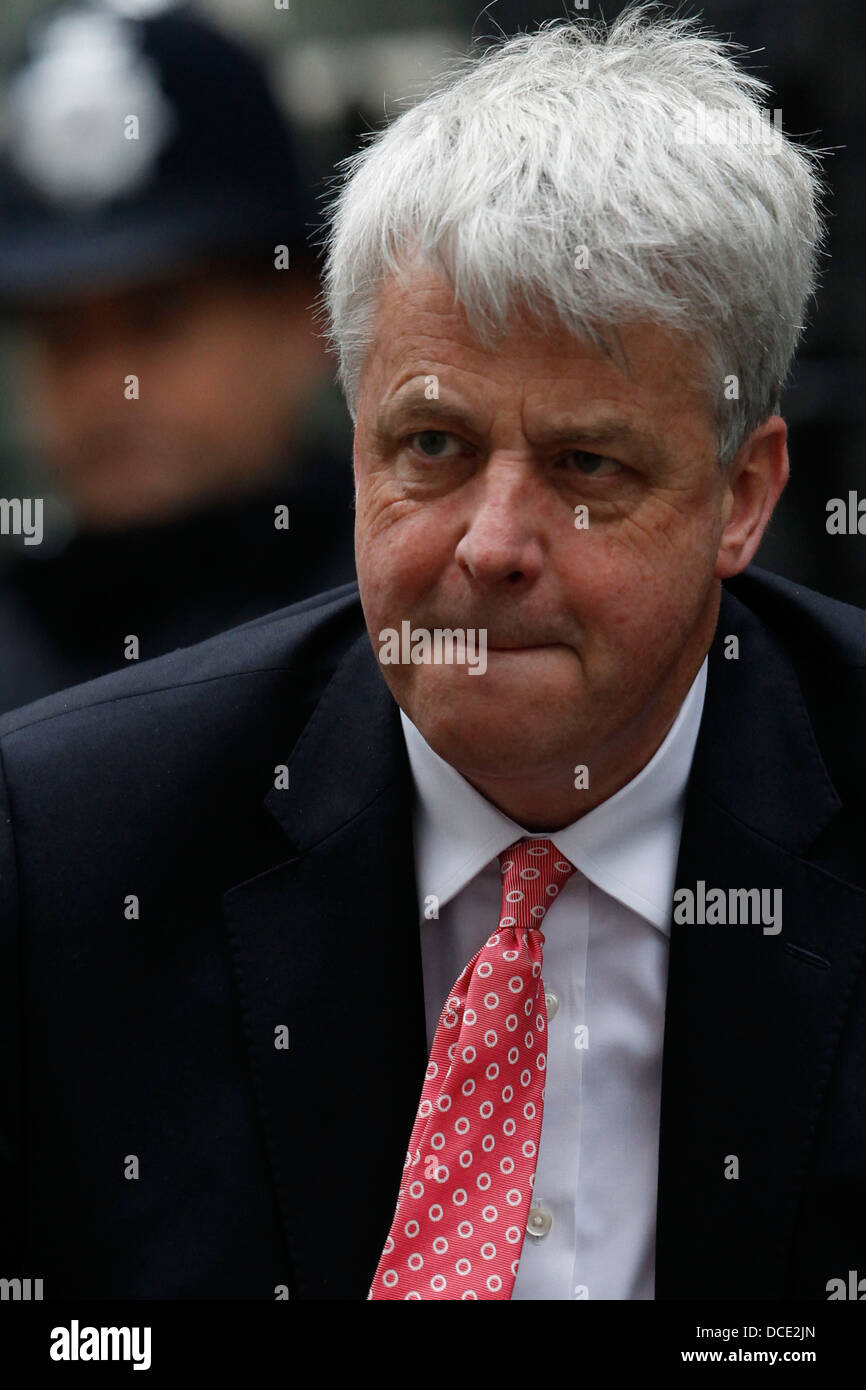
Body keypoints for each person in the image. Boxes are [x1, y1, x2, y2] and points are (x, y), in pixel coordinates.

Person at [0, 7, 861, 1302]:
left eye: (584, 465)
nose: (490, 545)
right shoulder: (71, 845)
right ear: (353, 438)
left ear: (742, 496)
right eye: (433, 449)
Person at [0, 2, 355, 713]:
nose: (106, 386)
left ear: (309, 316)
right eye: (60, 336)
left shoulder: (417, 617)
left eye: (156, 318)